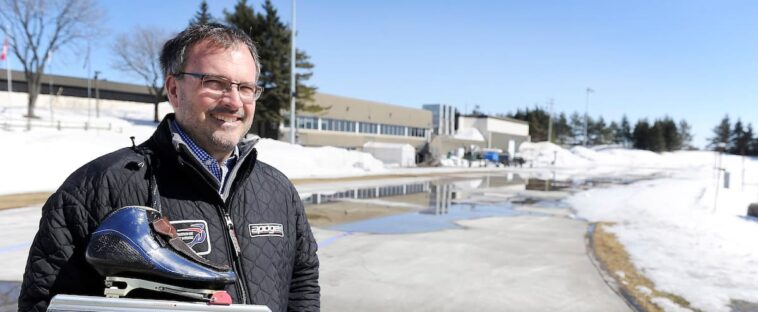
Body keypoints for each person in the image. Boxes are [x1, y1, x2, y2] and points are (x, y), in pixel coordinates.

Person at [18, 23, 320, 312]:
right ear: (174, 89)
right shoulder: (96, 187)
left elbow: (302, 282)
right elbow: (45, 301)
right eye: (215, 83)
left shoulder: (278, 189)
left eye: (246, 87)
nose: (234, 102)